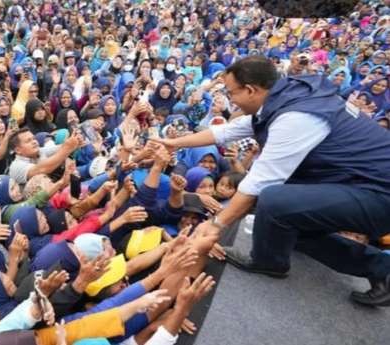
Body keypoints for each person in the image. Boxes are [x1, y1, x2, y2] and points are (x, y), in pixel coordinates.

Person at [157, 55, 390, 307]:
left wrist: (216, 225)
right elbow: (226, 131)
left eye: (231, 93)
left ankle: (268, 261)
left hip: (378, 191)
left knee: (274, 199)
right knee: (287, 229)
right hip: (357, 181)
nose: (230, 100)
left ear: (250, 90)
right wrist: (175, 143)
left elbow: (259, 182)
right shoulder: (284, 96)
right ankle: (382, 270)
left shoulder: (296, 118)